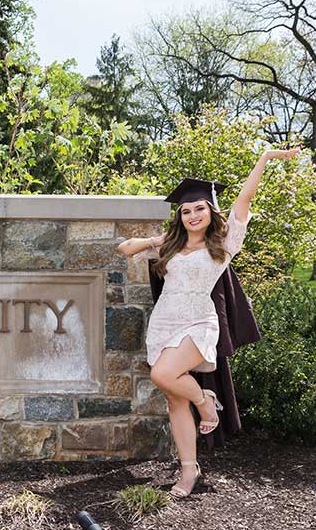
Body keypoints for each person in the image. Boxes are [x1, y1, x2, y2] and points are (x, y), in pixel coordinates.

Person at [117, 149, 299, 498]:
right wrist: (161, 240)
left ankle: (204, 400)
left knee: (163, 375)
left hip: (198, 322)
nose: (192, 215)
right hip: (164, 323)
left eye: (199, 208)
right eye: (186, 211)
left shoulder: (224, 245)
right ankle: (188, 471)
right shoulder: (169, 248)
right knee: (173, 400)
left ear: (211, 212)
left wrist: (263, 157)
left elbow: (245, 200)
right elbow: (126, 247)